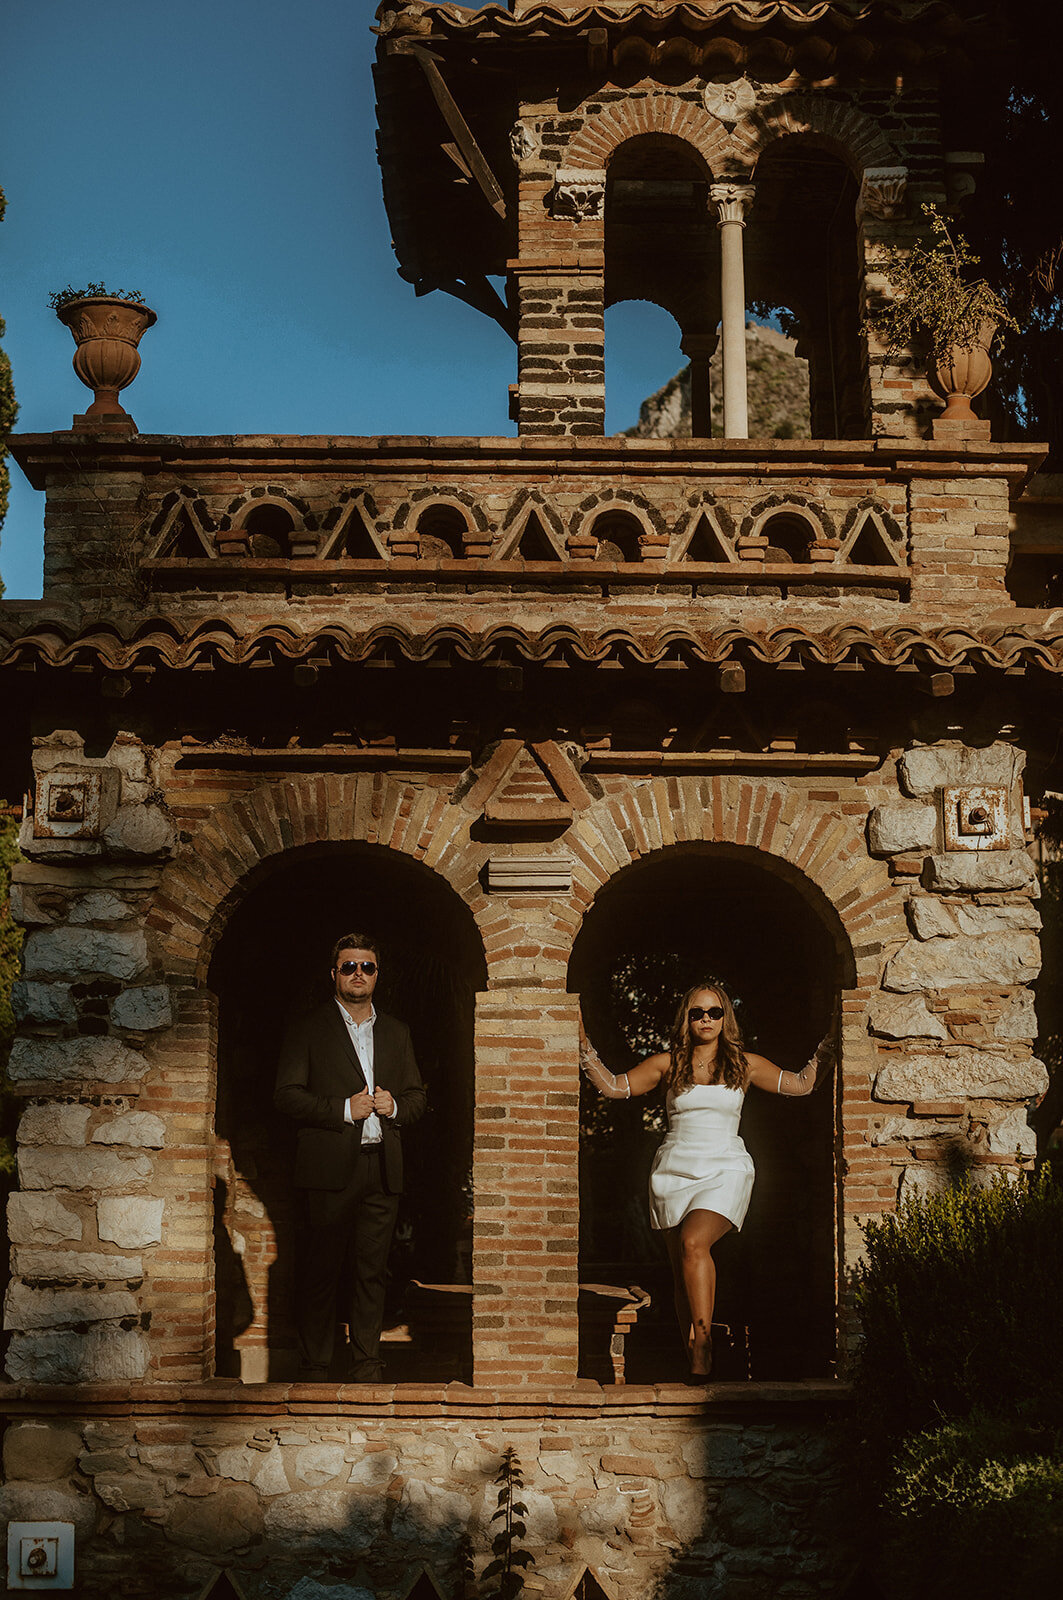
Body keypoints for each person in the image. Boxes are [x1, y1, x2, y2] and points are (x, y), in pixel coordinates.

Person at [579, 980, 832, 1381]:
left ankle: (703, 1344)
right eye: (697, 1012)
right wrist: (583, 1047)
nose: (706, 1019)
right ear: (687, 1018)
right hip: (673, 1169)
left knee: (693, 1242)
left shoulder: (744, 1064)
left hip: (725, 1166)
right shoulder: (667, 1063)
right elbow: (615, 1087)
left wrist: (832, 1043)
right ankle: (694, 1363)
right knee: (681, 1269)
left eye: (714, 1012)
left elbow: (801, 1084)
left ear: (725, 1017)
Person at [275, 933, 426, 1381]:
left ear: (377, 975)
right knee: (321, 1271)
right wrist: (344, 1108)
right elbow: (285, 1095)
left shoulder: (398, 1033)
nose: (358, 974)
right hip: (327, 1170)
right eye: (349, 966)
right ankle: (316, 1368)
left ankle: (366, 1367)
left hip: (382, 1168)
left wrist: (394, 1105)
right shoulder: (307, 1028)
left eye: (367, 967)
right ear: (334, 974)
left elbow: (418, 1098)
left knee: (372, 1273)